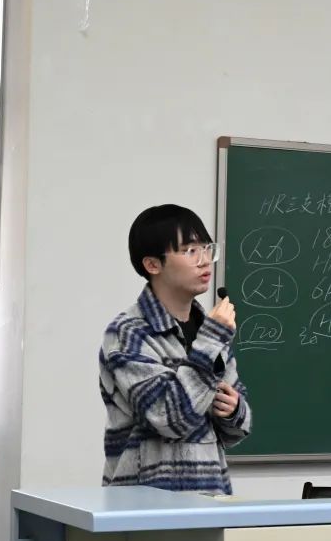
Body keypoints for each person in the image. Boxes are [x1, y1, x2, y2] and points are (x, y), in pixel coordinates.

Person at [99, 204, 252, 494]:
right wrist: (210, 341)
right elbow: (169, 418)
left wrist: (233, 410)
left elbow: (236, 430)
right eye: (190, 251)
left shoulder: (208, 328)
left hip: (210, 498)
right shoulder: (128, 333)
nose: (205, 261)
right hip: (142, 504)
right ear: (152, 265)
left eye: (207, 248)